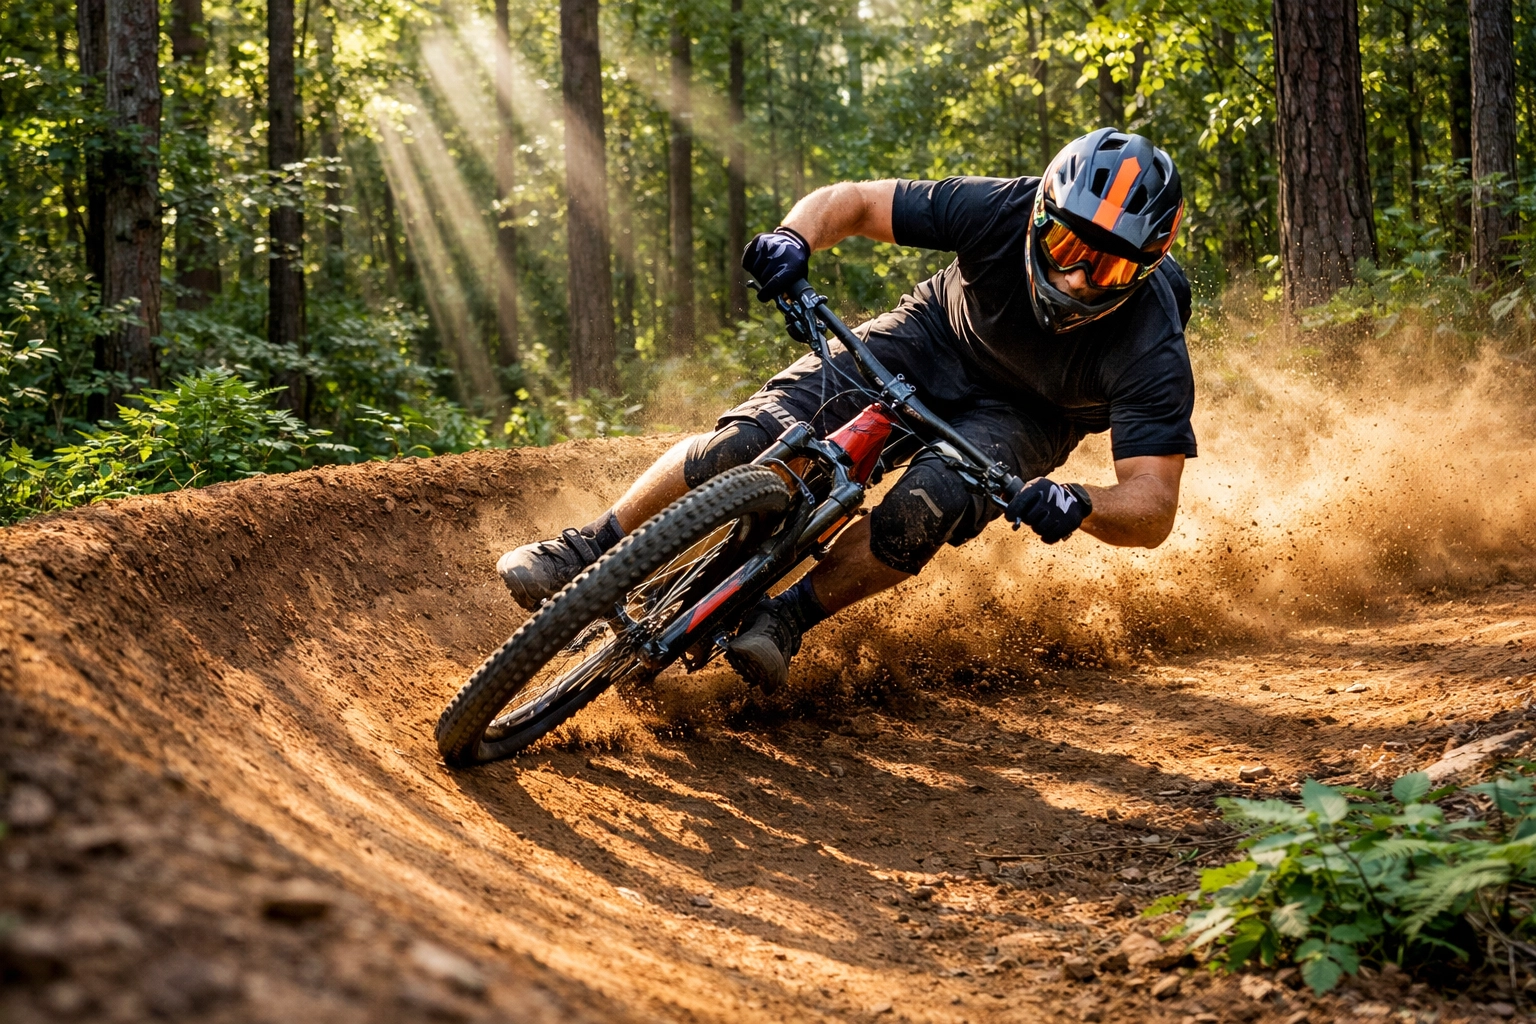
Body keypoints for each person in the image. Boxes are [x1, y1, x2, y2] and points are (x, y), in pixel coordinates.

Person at [498, 128, 1195, 693]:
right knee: (748, 440)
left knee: (926, 505)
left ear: (1149, 263)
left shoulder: (1151, 344)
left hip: (1026, 415)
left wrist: (1078, 502)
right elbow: (858, 203)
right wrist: (793, 237)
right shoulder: (999, 209)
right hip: (929, 338)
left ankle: (787, 619)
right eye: (1068, 246)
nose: (1075, 277)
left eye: (1104, 268)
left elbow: (1152, 505)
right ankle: (586, 546)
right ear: (1041, 214)